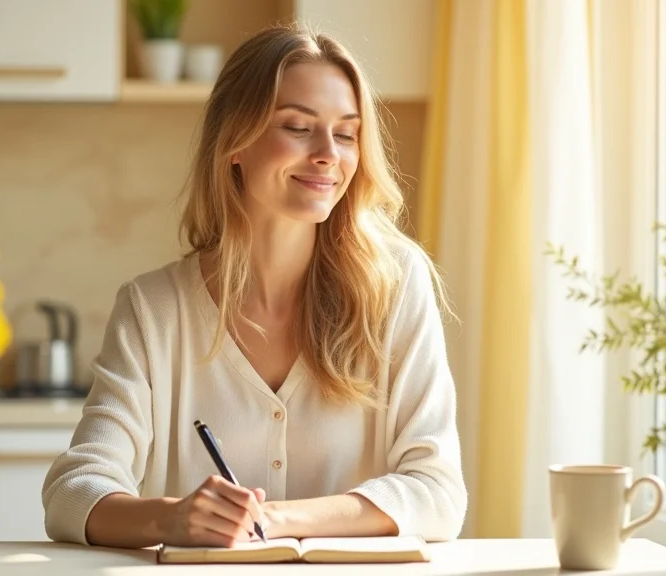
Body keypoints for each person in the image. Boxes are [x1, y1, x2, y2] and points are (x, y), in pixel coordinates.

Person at [41, 21, 467, 549]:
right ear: (234, 144)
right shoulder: (154, 309)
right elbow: (72, 491)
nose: (328, 154)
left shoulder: (397, 286)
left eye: (347, 133)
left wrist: (278, 521)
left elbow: (439, 493)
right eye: (297, 126)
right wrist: (171, 519)